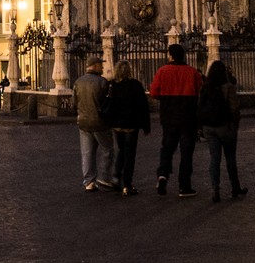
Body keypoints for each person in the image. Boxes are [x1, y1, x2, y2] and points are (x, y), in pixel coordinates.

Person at [149, 43, 204, 196]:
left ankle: (163, 174)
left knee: (167, 148)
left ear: (171, 56)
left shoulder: (162, 71)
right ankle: (184, 186)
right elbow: (200, 90)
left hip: (169, 116)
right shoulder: (192, 72)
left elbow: (154, 92)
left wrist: (166, 99)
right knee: (186, 152)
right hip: (188, 117)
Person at [198, 60, 247, 202]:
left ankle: (215, 190)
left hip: (209, 128)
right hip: (225, 126)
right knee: (230, 158)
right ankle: (235, 187)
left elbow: (200, 106)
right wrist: (235, 124)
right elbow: (234, 108)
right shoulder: (228, 87)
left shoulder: (205, 87)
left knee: (214, 158)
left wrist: (201, 126)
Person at [104, 60, 150, 195]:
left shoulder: (112, 85)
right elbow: (143, 107)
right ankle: (127, 184)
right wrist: (146, 126)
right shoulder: (136, 85)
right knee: (130, 155)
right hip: (131, 124)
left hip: (117, 125)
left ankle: (116, 177)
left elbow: (108, 104)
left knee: (120, 151)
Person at [74, 57, 116, 191]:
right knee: (107, 149)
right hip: (100, 122)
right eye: (100, 65)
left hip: (83, 122)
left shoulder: (78, 82)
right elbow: (108, 103)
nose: (102, 68)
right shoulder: (102, 82)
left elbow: (74, 102)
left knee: (87, 153)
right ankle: (104, 177)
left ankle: (89, 182)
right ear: (96, 66)